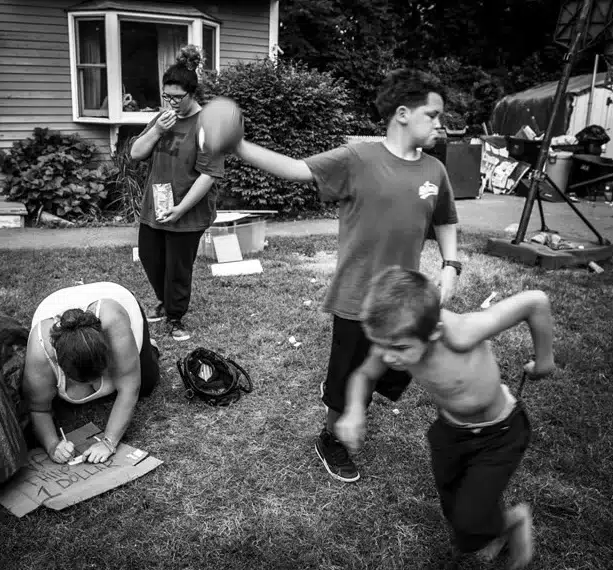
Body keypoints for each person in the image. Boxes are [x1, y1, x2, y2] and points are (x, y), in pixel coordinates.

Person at [232, 68, 461, 482]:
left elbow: (445, 218)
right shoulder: (356, 160)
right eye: (434, 115)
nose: (440, 125)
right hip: (358, 297)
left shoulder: (435, 171)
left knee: (392, 373)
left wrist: (451, 264)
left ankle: (351, 399)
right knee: (349, 377)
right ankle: (330, 436)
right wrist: (238, 145)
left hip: (403, 300)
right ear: (404, 114)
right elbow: (296, 169)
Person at [335, 266, 555, 570]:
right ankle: (488, 527)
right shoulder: (396, 338)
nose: (386, 357)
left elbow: (536, 301)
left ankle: (513, 521)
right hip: (450, 431)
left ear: (435, 332)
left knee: (468, 517)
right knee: (454, 507)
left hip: (499, 433)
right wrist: (354, 409)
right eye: (380, 345)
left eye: (397, 348)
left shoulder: (462, 333)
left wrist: (545, 361)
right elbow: (364, 374)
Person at [128, 45, 225, 342]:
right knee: (149, 256)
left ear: (191, 94)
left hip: (188, 209)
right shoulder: (162, 118)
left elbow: (209, 174)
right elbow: (135, 153)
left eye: (176, 97)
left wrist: (181, 208)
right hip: (155, 205)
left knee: (177, 268)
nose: (170, 102)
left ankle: (175, 316)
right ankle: (166, 301)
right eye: (166, 96)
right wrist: (157, 130)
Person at [23, 282, 160, 464]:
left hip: (119, 307)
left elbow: (129, 387)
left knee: (146, 382)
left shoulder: (113, 321)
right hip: (55, 308)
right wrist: (52, 445)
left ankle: (149, 349)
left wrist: (109, 442)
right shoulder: (40, 350)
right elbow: (38, 408)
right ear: (58, 364)